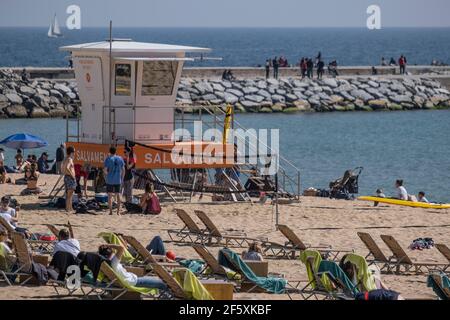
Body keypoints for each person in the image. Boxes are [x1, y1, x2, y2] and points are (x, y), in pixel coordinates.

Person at [98, 244, 167, 290]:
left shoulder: (105, 264)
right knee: (164, 283)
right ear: (110, 254)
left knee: (158, 280)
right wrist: (108, 245)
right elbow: (121, 248)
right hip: (134, 281)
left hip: (131, 280)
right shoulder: (114, 262)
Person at [104, 146, 125, 216]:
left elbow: (105, 170)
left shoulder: (108, 159)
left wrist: (107, 176)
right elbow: (123, 170)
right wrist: (122, 178)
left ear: (109, 151)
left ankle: (110, 211)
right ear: (116, 151)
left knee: (109, 196)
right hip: (117, 179)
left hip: (110, 179)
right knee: (118, 195)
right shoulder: (120, 158)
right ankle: (118, 212)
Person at [62, 146, 76, 213]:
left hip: (66, 177)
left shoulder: (65, 158)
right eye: (74, 152)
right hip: (70, 177)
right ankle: (68, 209)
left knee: (69, 194)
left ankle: (70, 208)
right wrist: (72, 175)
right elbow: (67, 167)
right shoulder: (70, 159)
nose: (74, 153)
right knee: (69, 195)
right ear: (71, 152)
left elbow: (63, 168)